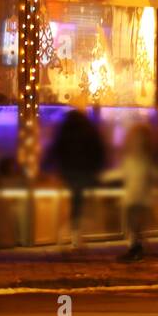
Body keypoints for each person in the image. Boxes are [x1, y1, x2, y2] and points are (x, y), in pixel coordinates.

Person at [44, 105, 106, 249]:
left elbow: (54, 151)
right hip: (86, 173)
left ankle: (69, 235)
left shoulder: (64, 133)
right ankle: (76, 236)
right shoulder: (90, 132)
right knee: (81, 205)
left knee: (76, 204)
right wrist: (97, 170)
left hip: (69, 174)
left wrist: (47, 168)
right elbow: (98, 152)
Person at [115, 123, 156, 261]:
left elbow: (143, 177)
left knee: (135, 223)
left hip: (138, 196)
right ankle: (136, 248)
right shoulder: (141, 157)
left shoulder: (139, 158)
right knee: (133, 224)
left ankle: (135, 249)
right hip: (135, 195)